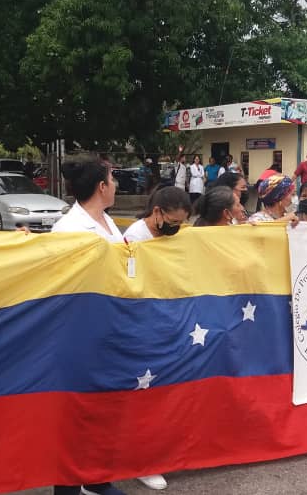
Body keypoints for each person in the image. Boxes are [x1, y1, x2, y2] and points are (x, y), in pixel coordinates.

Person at [49, 156, 127, 495]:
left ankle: (97, 480)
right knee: (74, 413)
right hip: (78, 333)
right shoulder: (68, 229)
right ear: (101, 186)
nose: (117, 184)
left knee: (102, 410)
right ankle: (67, 486)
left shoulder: (109, 222)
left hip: (111, 327)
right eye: (113, 178)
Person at [124, 186, 191, 242]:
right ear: (157, 211)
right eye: (174, 221)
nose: (177, 226)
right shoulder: (135, 237)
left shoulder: (175, 235)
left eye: (181, 222)